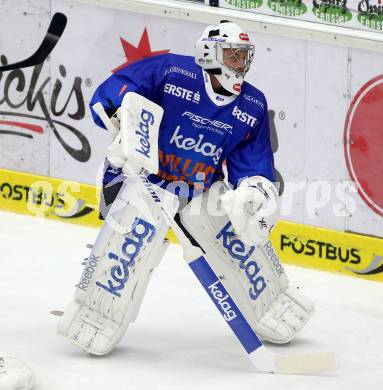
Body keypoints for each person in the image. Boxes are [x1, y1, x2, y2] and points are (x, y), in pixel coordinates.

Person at [58, 21, 314, 355]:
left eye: (243, 56)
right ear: (209, 54)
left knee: (238, 236)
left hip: (199, 187)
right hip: (142, 179)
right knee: (128, 250)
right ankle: (96, 311)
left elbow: (252, 162)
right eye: (232, 55)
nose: (240, 64)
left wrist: (254, 191)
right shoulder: (172, 72)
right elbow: (118, 88)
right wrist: (121, 118)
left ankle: (273, 302)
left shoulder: (251, 106)